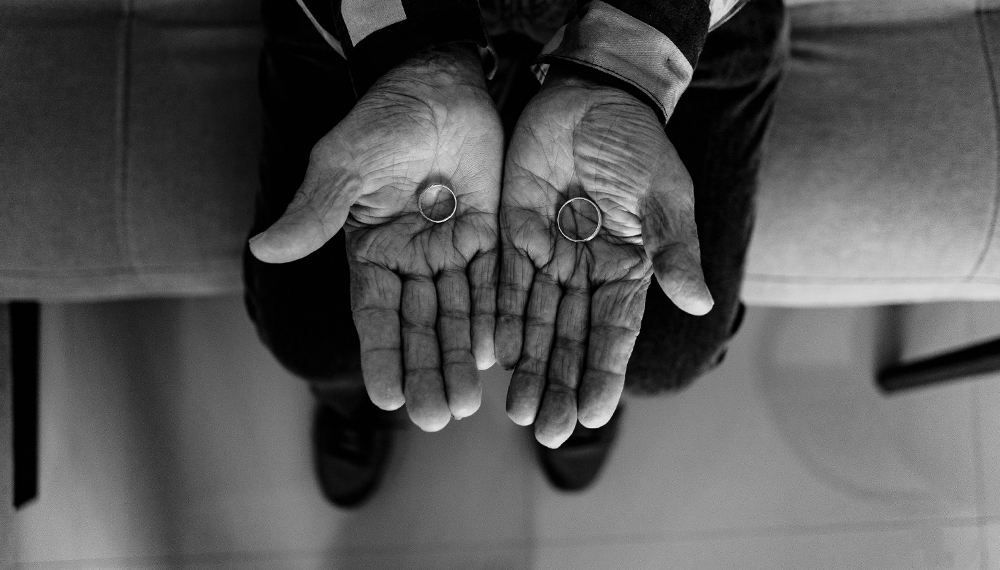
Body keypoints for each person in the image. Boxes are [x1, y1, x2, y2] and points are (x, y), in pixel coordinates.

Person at [244, 0, 788, 506]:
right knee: (310, 332)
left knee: (666, 350)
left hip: (677, 18)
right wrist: (412, 56)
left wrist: (628, 64)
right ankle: (348, 398)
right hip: (373, 12)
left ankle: (574, 385)